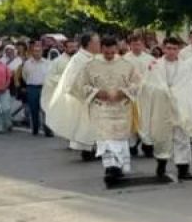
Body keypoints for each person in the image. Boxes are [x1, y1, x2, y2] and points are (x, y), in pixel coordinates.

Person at [73, 35, 142, 185]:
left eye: (112, 52)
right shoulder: (90, 65)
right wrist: (97, 92)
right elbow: (80, 86)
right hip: (101, 109)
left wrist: (124, 92)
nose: (109, 55)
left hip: (121, 108)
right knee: (106, 139)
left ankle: (118, 166)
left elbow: (137, 84)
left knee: (119, 139)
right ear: (101, 49)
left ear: (116, 49)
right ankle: (110, 167)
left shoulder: (127, 65)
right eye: (106, 52)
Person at [138, 36, 192, 182]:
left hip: (180, 106)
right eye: (168, 48)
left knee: (182, 136)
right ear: (163, 48)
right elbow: (147, 85)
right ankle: (161, 166)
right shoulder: (155, 66)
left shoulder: (186, 67)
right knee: (162, 136)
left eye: (174, 48)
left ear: (179, 49)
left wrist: (180, 95)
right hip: (162, 105)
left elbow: (190, 86)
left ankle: (183, 168)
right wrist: (162, 90)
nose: (171, 51)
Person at [49, 33, 101, 161]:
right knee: (86, 125)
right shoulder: (80, 59)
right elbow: (74, 80)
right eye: (97, 42)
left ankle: (92, 148)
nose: (99, 45)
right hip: (84, 98)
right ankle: (88, 150)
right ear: (89, 44)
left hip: (94, 96)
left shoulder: (92, 57)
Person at [123, 33, 156, 157]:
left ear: (142, 45)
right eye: (134, 44)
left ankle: (148, 144)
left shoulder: (149, 59)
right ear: (130, 45)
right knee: (132, 121)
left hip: (146, 95)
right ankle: (132, 145)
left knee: (146, 119)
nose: (136, 46)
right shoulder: (125, 59)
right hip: (132, 94)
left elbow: (154, 75)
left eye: (139, 44)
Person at [42, 40, 77, 136]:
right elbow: (50, 77)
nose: (73, 49)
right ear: (64, 48)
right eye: (70, 47)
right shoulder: (57, 62)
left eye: (74, 47)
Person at [22, 42, 52, 136]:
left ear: (42, 52)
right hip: (32, 88)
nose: (37, 53)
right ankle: (35, 128)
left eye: (39, 51)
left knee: (46, 110)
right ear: (32, 52)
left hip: (44, 88)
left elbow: (51, 76)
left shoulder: (48, 63)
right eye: (35, 51)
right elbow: (24, 76)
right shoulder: (27, 63)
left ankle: (48, 130)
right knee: (34, 109)